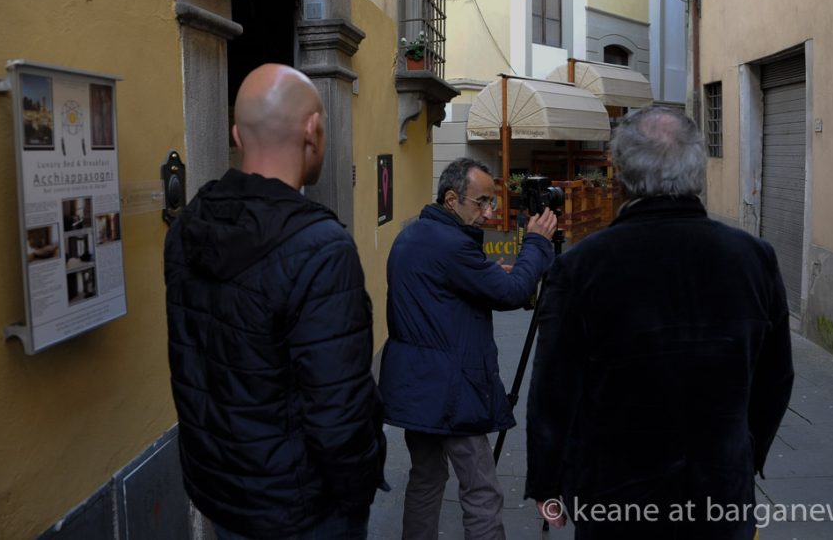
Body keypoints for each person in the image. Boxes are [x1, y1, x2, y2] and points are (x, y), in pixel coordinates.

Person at [525, 106, 794, 540]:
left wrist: (547, 480)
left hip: (616, 497)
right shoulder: (753, 258)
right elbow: (775, 379)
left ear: (622, 175)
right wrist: (745, 453)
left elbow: (554, 389)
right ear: (698, 172)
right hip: (720, 492)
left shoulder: (582, 266)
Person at [164, 64, 385, 540]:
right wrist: (356, 496)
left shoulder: (187, 227)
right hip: (300, 510)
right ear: (312, 130)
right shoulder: (322, 248)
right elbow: (338, 414)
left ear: (236, 135)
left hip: (221, 494)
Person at [380, 157, 558, 539]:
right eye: (482, 202)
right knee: (482, 491)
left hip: (416, 387)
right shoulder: (451, 245)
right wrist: (537, 243)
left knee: (426, 478)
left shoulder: (413, 235)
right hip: (452, 390)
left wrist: (485, 275)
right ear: (451, 199)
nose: (489, 213)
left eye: (492, 202)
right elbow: (513, 293)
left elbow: (446, 292)